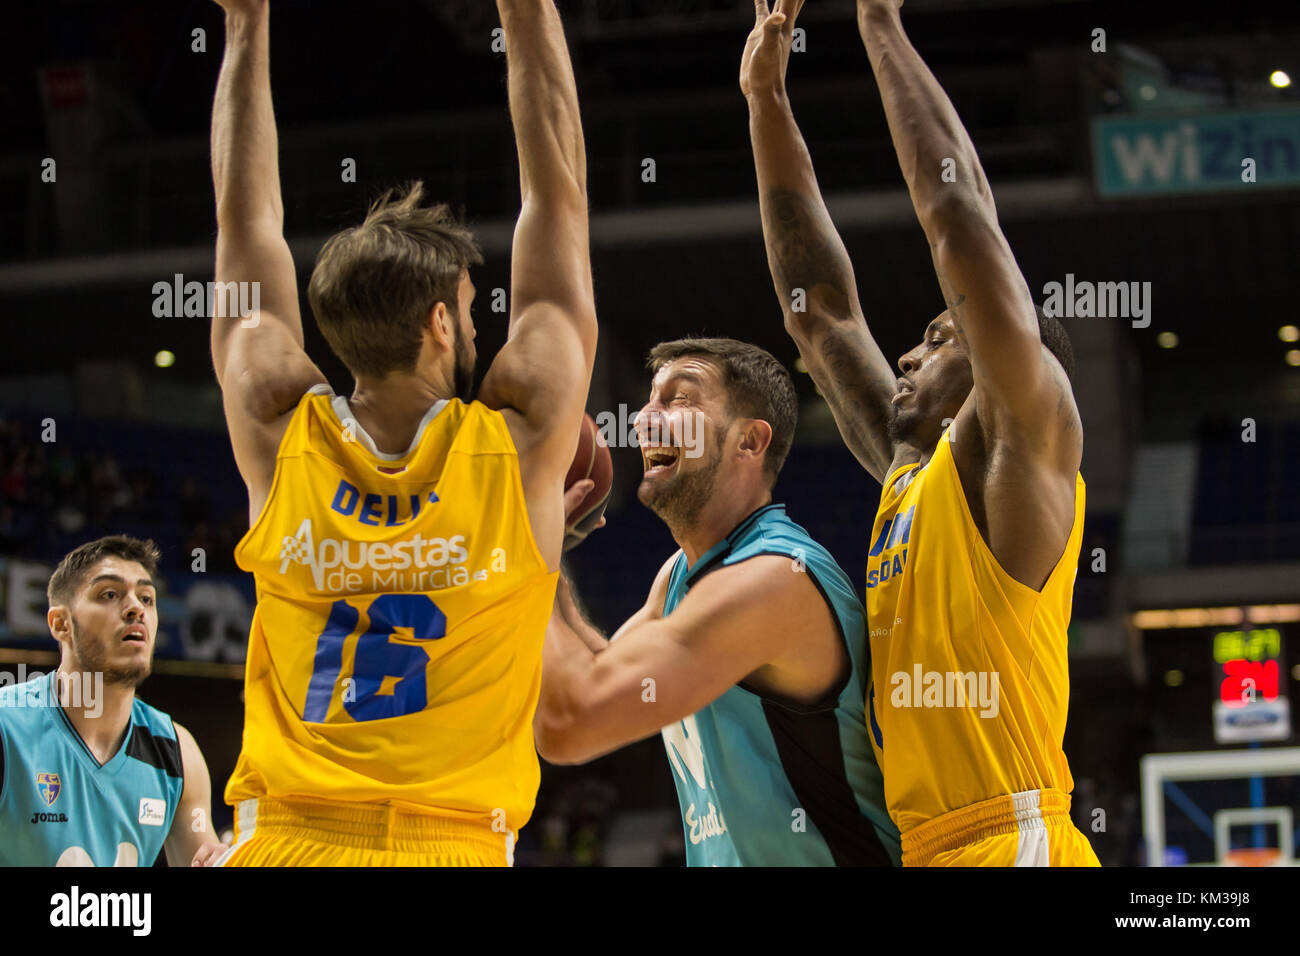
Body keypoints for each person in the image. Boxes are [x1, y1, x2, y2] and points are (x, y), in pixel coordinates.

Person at [206, 0, 596, 866]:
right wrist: (526, 14)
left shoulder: (274, 425)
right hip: (451, 843)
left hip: (285, 841)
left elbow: (246, 229)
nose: (476, 323)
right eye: (466, 308)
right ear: (438, 325)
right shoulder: (521, 440)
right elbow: (558, 199)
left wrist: (244, 26)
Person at [743, 0, 1098, 865]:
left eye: (940, 339)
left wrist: (878, 22)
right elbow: (819, 313)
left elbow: (959, 215)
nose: (905, 353)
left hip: (1012, 837)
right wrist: (766, 100)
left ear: (995, 363)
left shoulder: (1021, 447)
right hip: (928, 846)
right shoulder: (914, 468)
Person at [537, 338, 899, 866]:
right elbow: (599, 677)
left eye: (679, 401)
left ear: (749, 442)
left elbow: (570, 724)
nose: (643, 419)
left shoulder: (774, 579)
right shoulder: (681, 575)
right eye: (649, 400)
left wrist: (523, 539)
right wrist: (547, 569)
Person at [0, 535, 221, 867]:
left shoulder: (177, 753)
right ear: (60, 623)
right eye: (109, 594)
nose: (136, 608)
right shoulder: (7, 726)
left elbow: (203, 854)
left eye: (147, 598)